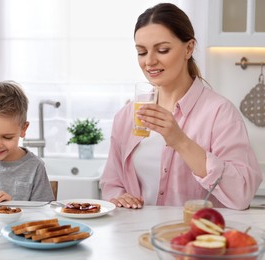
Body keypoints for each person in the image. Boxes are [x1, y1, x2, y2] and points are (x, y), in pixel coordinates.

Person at [99, 3, 262, 210]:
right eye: (141, 52)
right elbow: (111, 184)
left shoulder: (219, 113)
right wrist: (119, 197)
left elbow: (242, 194)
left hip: (195, 238)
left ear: (189, 48)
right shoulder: (126, 116)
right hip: (135, 237)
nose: (149, 61)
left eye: (163, 50)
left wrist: (180, 141)